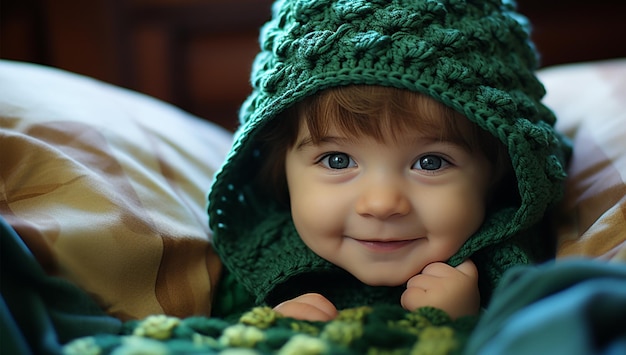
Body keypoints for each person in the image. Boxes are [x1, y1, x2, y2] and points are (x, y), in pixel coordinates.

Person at [207, 0, 571, 322]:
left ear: (500, 171)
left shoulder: (513, 271)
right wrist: (269, 334)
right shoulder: (255, 264)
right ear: (279, 168)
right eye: (337, 160)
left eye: (431, 163)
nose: (381, 205)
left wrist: (468, 322)